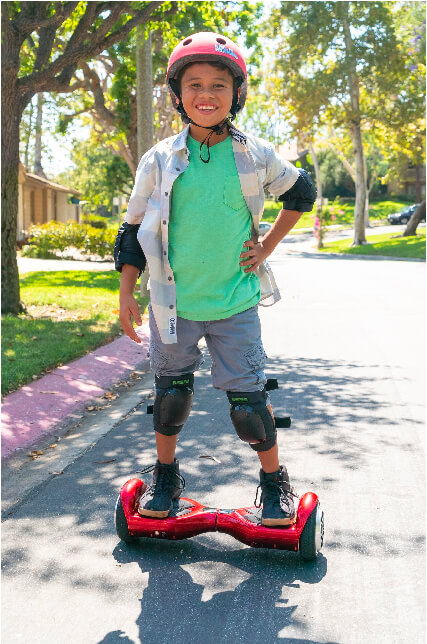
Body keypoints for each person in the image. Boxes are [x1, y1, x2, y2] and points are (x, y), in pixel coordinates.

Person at [114, 32, 316, 527]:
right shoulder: (159, 159)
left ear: (237, 94)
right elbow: (131, 230)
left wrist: (266, 247)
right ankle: (165, 477)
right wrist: (125, 294)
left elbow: (302, 192)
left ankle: (273, 485)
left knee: (248, 403)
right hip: (172, 305)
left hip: (234, 304)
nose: (206, 94)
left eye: (219, 85)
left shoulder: (254, 154)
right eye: (195, 84)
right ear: (179, 95)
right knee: (170, 397)